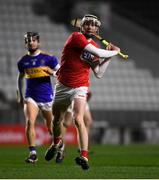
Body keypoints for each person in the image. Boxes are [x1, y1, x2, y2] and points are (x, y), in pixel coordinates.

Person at [44, 14, 120, 170]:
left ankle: (84, 156)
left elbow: (98, 73)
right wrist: (114, 52)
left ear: (97, 29)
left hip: (80, 86)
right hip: (63, 85)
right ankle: (57, 142)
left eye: (93, 25)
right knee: (56, 119)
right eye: (87, 24)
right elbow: (99, 53)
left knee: (78, 119)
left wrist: (110, 57)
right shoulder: (76, 37)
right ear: (81, 27)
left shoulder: (93, 46)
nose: (90, 27)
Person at [16, 31, 60, 163]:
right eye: (28, 41)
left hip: (47, 96)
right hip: (31, 96)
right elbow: (20, 77)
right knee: (30, 122)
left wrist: (51, 72)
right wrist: (19, 94)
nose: (31, 42)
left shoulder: (49, 58)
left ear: (38, 42)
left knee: (50, 126)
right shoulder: (22, 61)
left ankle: (59, 145)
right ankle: (33, 153)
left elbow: (61, 74)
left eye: (33, 40)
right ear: (25, 44)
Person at [55, 91, 93, 163]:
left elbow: (89, 92)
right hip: (72, 94)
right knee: (66, 123)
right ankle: (61, 148)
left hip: (81, 94)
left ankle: (81, 147)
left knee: (88, 121)